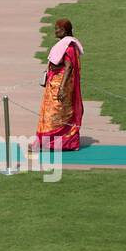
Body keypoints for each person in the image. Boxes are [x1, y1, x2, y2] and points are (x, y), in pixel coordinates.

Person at [36, 18, 84, 152]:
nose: (56, 31)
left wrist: (62, 88)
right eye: (56, 28)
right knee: (52, 113)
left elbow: (69, 68)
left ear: (65, 31)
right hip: (54, 84)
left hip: (60, 86)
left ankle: (52, 143)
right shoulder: (63, 44)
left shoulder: (69, 47)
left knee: (55, 114)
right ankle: (51, 142)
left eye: (58, 29)